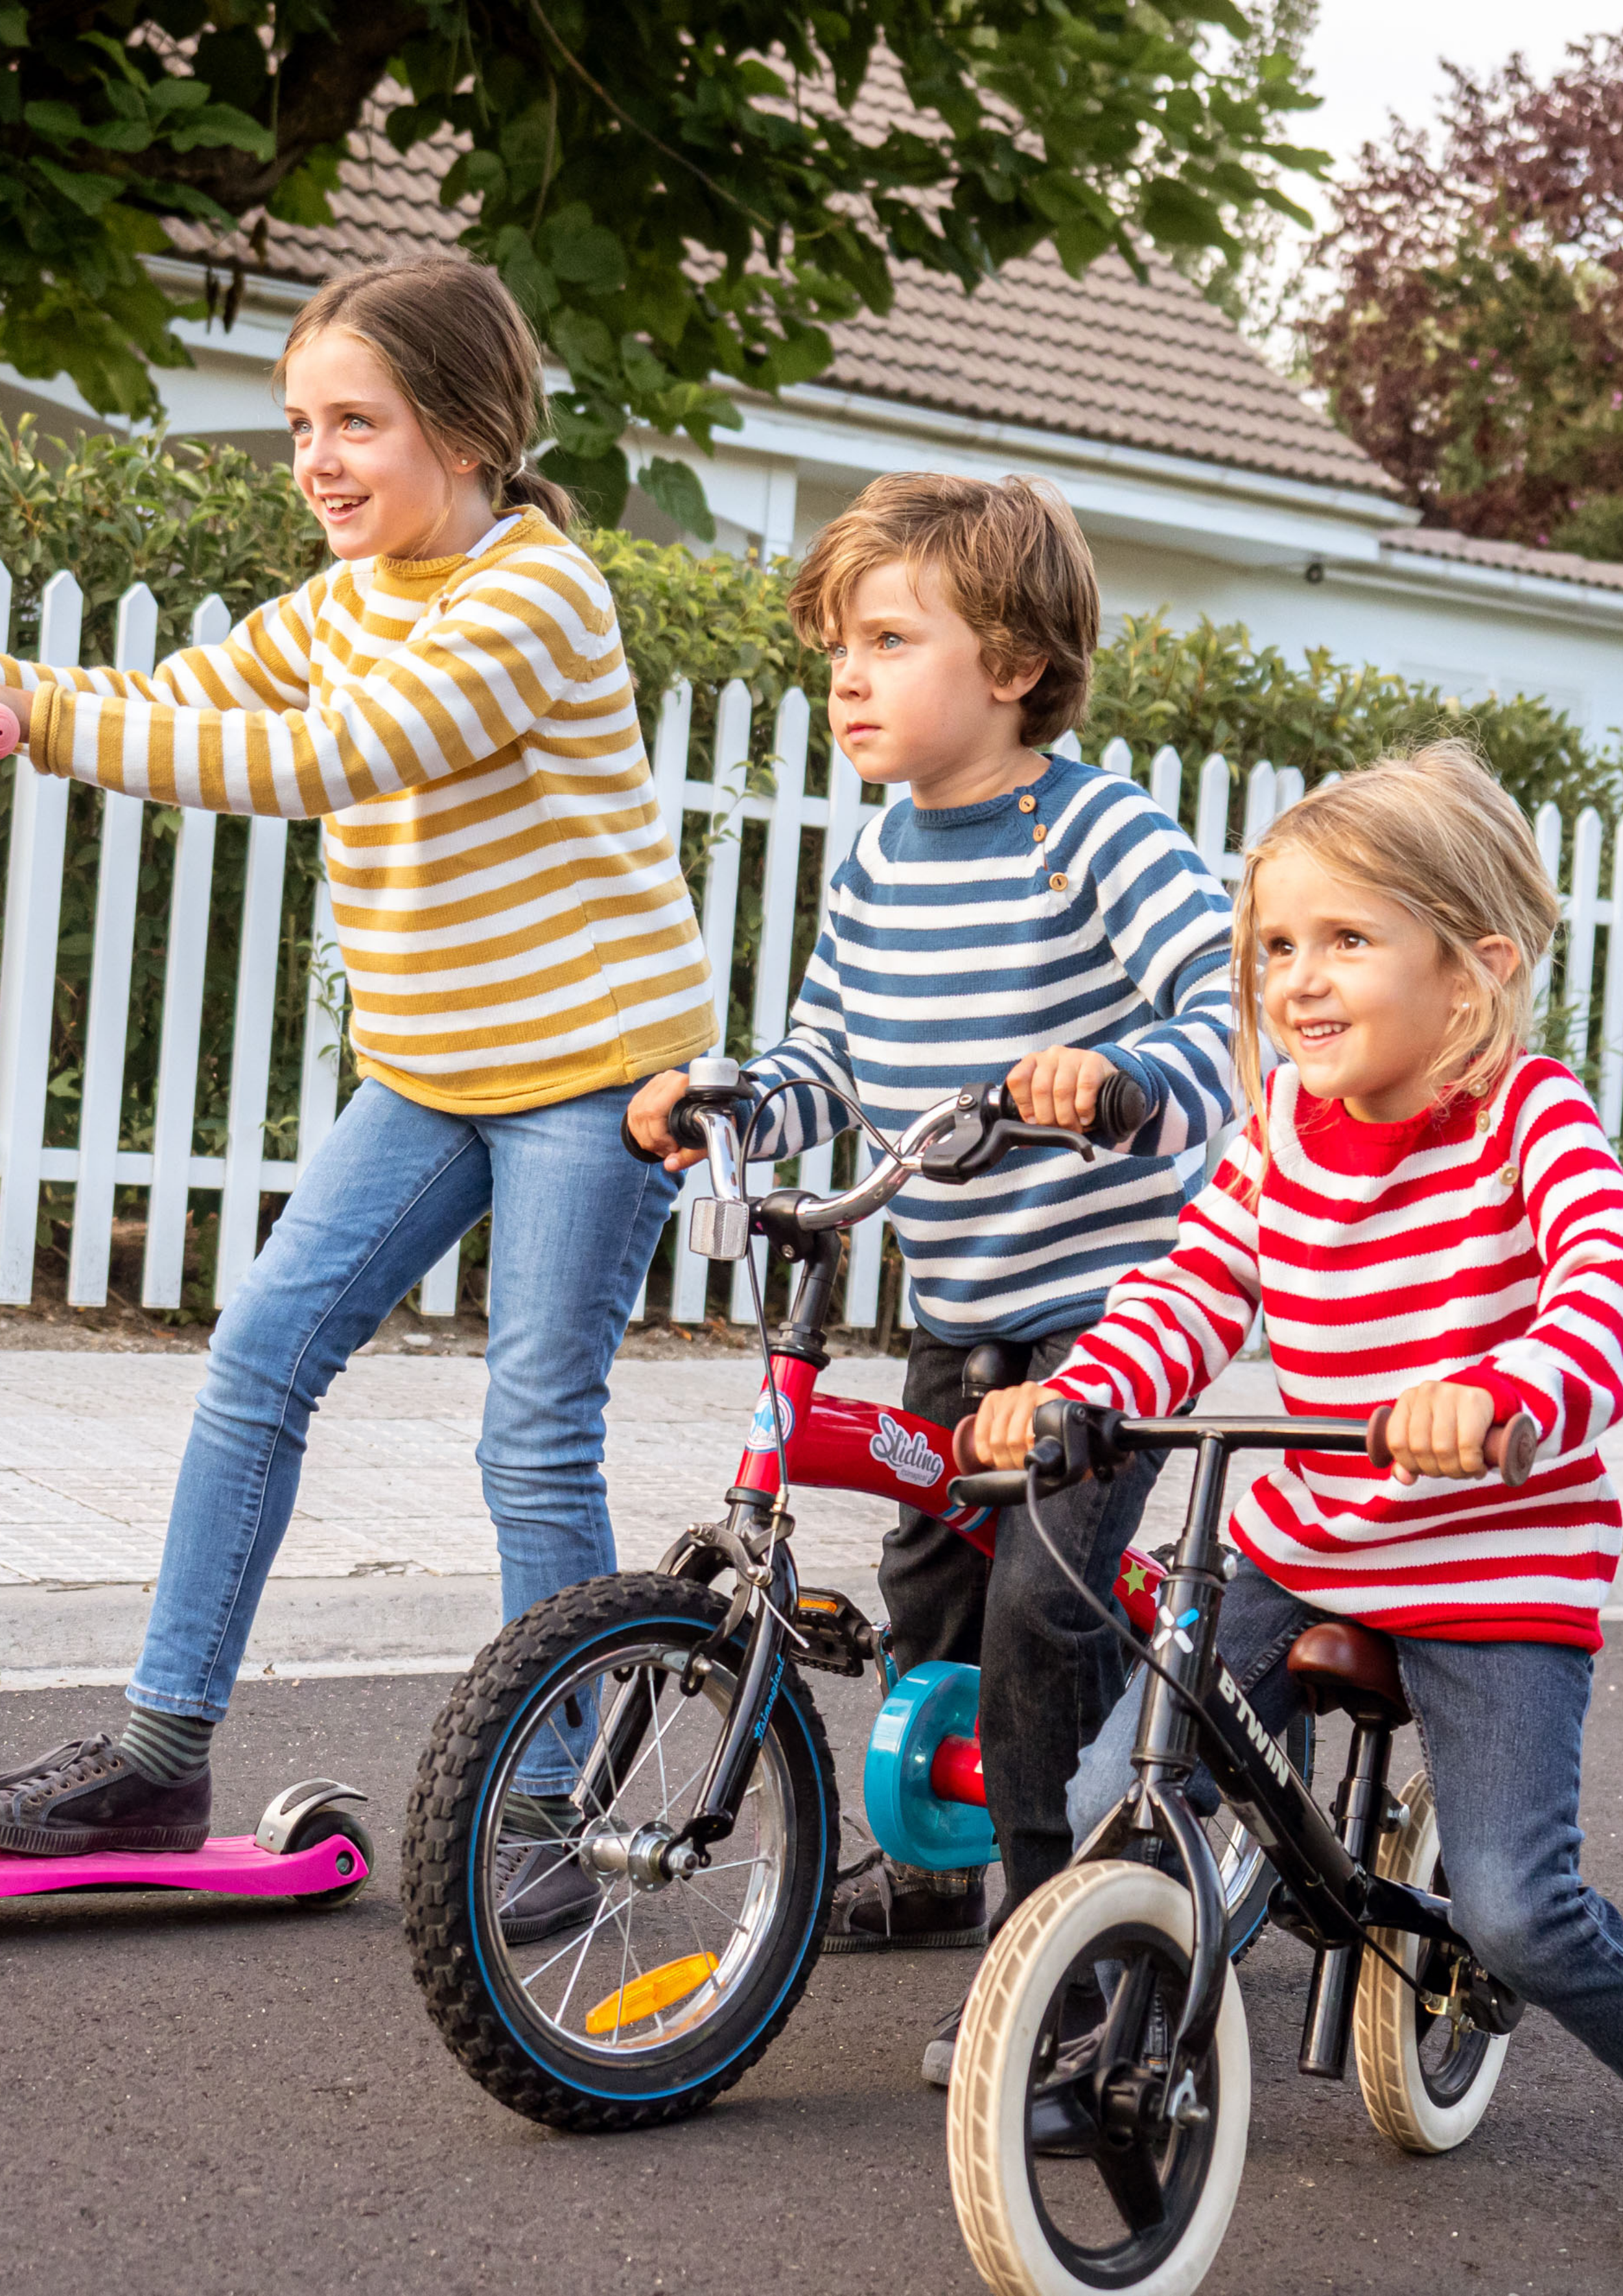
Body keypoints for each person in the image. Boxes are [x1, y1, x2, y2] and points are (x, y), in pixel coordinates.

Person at [0, 255, 714, 1939]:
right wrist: (34, 696)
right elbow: (194, 696)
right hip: (433, 1063)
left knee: (532, 1430)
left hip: (595, 1076)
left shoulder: (534, 600)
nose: (317, 458)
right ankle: (159, 1749)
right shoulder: (350, 591)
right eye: (301, 425)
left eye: (356, 422)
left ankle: (551, 1795)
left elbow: (332, 754)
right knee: (257, 1359)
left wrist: (40, 712)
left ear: (466, 430)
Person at [974, 740, 1623, 2277]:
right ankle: (1121, 2033)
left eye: (1345, 940)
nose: (1296, 980)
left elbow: (1612, 1279)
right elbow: (1188, 1289)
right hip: (1308, 1532)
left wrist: (1507, 1392)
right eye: (1275, 946)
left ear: (1469, 974)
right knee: (1142, 1778)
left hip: (1493, 1570)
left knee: (1515, 1909)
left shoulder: (1527, 1120)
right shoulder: (1273, 1144)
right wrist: (1081, 1391)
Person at [627, 472, 1237, 2076]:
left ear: (1015, 666)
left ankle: (1055, 1940)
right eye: (837, 642)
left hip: (1105, 1307)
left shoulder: (1091, 828)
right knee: (925, 1591)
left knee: (1039, 1604)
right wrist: (740, 1094)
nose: (846, 673)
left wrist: (1118, 1080)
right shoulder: (880, 855)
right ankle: (940, 1858)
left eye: (890, 638)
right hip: (956, 1309)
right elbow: (834, 1050)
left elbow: (1226, 1010)